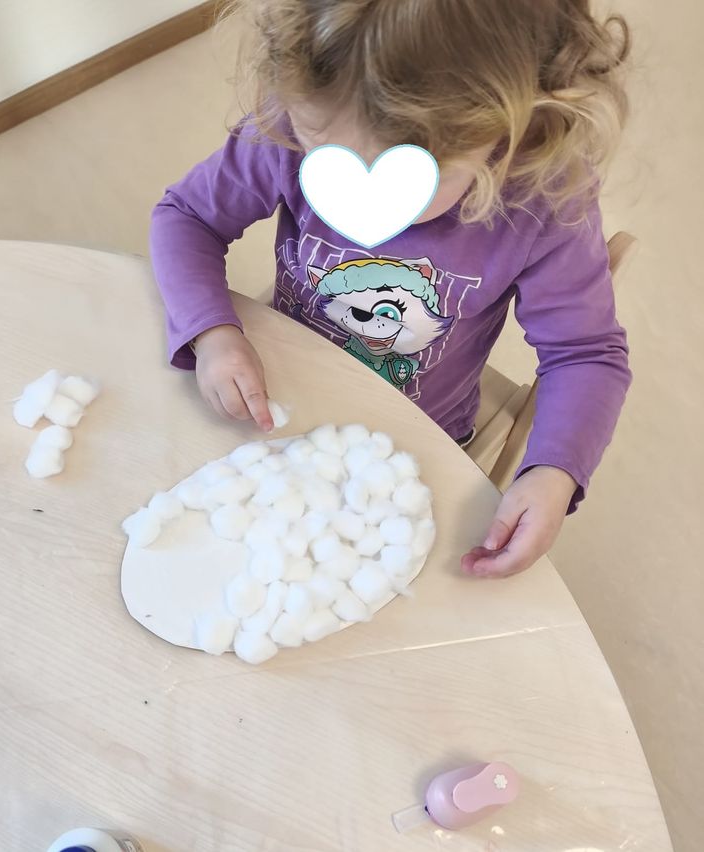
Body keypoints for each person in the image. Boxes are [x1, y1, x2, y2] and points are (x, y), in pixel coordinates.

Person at [149, 0, 632, 578]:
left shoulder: (543, 199)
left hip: (421, 433)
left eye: (409, 176)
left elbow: (585, 354)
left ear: (508, 130)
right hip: (277, 391)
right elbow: (187, 216)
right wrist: (213, 332)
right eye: (322, 153)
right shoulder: (294, 118)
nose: (358, 199)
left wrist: (552, 473)